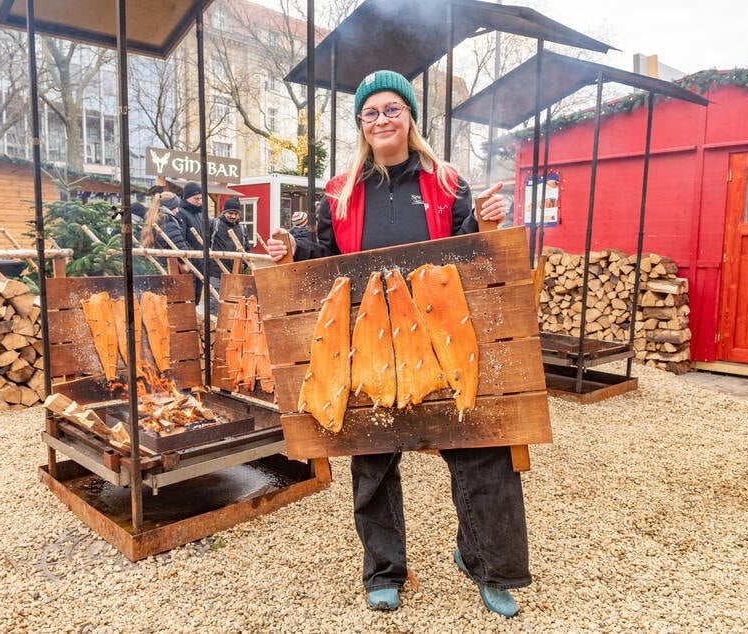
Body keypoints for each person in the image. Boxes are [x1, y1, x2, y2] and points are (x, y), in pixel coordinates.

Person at [266, 70, 528, 618]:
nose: (381, 120)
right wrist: (291, 249)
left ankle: (486, 562)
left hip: (442, 337)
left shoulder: (448, 181)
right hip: (369, 342)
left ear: (409, 116)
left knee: (483, 452)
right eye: (370, 113)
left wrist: (482, 222)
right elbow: (320, 257)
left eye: (392, 109)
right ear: (361, 124)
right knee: (372, 457)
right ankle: (384, 570)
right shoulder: (339, 192)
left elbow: (475, 257)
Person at [208, 197, 250, 315]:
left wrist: (244, 265)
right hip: (216, 272)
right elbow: (205, 244)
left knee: (232, 304)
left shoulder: (242, 228)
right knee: (215, 303)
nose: (233, 216)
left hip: (235, 273)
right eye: (230, 213)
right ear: (224, 211)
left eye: (236, 214)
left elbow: (246, 248)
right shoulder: (214, 224)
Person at [140, 191, 190, 271]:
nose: (177, 211)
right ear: (169, 208)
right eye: (175, 207)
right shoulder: (168, 223)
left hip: (156, 266)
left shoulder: (152, 220)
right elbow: (181, 248)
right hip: (169, 268)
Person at [177, 181, 206, 302]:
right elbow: (181, 237)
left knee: (197, 295)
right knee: (189, 296)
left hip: (200, 260)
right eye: (196, 198)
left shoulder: (199, 214)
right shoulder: (182, 213)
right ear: (187, 198)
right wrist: (191, 255)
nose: (199, 201)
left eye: (200, 198)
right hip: (190, 260)